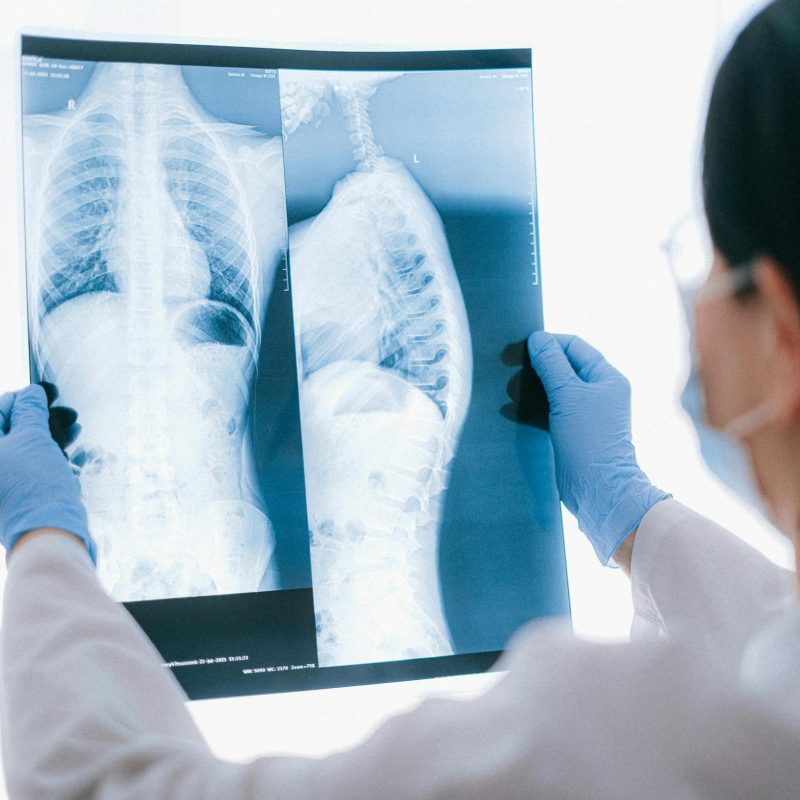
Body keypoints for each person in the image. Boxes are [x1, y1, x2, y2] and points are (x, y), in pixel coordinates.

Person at [4, 1, 800, 796]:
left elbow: (100, 788)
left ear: (780, 334)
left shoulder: (585, 742)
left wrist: (43, 546)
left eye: (703, 252)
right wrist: (638, 522)